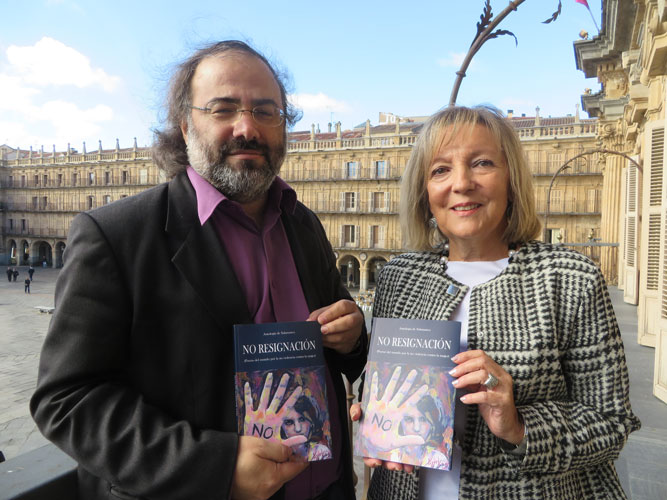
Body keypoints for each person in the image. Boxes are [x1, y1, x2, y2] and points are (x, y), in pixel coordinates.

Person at [30, 40, 367, 500]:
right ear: (186, 126)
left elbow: (339, 344)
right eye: (223, 109)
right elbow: (66, 400)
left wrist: (351, 336)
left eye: (266, 111)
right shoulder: (116, 236)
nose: (247, 127)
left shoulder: (303, 223)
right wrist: (217, 467)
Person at [351, 105, 640, 499]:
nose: (462, 183)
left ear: (511, 180)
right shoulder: (398, 278)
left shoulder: (570, 278)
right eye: (440, 170)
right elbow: (385, 381)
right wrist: (372, 406)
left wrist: (519, 425)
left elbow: (612, 421)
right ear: (425, 192)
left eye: (482, 163)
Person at [280, 393, 333, 461]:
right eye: (289, 422)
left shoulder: (321, 453)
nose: (298, 429)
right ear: (281, 427)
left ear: (311, 422)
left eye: (302, 419)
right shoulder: (278, 456)